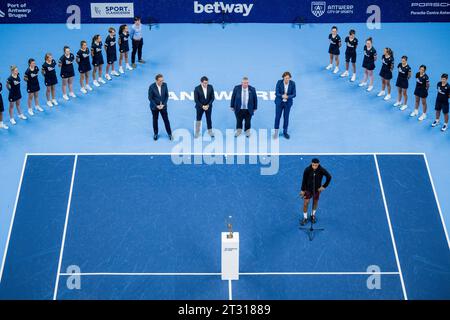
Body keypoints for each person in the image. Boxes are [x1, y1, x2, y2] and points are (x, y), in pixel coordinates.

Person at [299, 158, 332, 226]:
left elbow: (329, 177)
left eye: (316, 165)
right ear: (311, 163)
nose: (314, 166)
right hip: (308, 190)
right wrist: (302, 190)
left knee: (315, 202)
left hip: (317, 190)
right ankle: (305, 218)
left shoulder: (322, 170)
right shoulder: (307, 170)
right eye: (313, 165)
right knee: (306, 203)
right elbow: (304, 180)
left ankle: (312, 215)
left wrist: (324, 186)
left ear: (318, 164)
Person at [148, 74, 172, 141]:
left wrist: (163, 104)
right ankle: (155, 134)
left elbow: (167, 96)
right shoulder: (151, 87)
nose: (162, 82)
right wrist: (156, 106)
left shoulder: (165, 85)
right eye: (160, 81)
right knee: (155, 120)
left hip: (163, 107)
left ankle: (169, 134)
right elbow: (150, 98)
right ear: (156, 80)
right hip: (154, 107)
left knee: (166, 120)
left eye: (162, 80)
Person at [274, 71, 296, 139]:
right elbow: (276, 93)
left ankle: (285, 132)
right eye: (286, 78)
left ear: (290, 78)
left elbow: (294, 94)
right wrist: (282, 96)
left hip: (288, 104)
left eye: (288, 78)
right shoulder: (279, 82)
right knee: (277, 117)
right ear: (283, 78)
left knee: (286, 118)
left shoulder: (293, 83)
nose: (287, 80)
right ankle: (276, 132)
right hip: (279, 103)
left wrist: (288, 97)